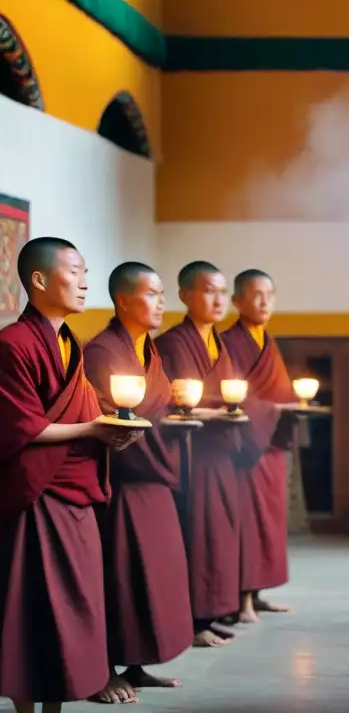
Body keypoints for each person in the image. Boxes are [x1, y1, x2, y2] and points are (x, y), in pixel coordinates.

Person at [0, 238, 140, 712]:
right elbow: (20, 426)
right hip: (35, 494)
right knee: (31, 606)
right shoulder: (12, 344)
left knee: (76, 602)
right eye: (75, 271)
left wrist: (112, 428)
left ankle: (58, 703)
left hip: (73, 490)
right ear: (39, 280)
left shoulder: (69, 344)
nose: (84, 282)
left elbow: (81, 407)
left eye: (85, 272)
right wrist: (94, 428)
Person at [83, 262, 193, 703]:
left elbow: (158, 407)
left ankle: (136, 664)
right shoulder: (102, 350)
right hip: (122, 482)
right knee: (119, 576)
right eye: (152, 294)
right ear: (124, 299)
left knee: (153, 576)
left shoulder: (149, 350)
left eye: (163, 294)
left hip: (154, 478)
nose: (161, 302)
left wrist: (186, 414)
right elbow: (109, 418)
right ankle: (102, 670)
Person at [155, 261, 242, 649]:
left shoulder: (217, 341)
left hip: (218, 454)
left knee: (219, 535)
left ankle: (211, 612)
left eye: (222, 292)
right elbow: (174, 397)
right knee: (198, 534)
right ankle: (192, 619)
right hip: (191, 455)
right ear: (185, 295)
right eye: (209, 290)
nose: (218, 299)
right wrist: (221, 409)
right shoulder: (174, 342)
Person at [221, 269, 296, 623]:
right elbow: (231, 395)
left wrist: (288, 407)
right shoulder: (228, 342)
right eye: (256, 294)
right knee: (247, 522)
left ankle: (259, 592)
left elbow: (277, 387)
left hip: (271, 447)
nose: (265, 301)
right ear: (237, 301)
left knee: (270, 523)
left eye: (270, 294)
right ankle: (242, 598)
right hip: (245, 447)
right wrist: (275, 409)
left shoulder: (267, 341)